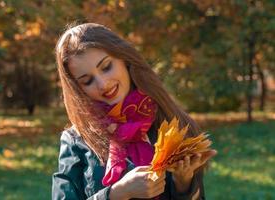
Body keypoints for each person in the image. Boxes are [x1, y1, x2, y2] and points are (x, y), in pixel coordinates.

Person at [52, 23, 217, 200]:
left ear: (124, 59)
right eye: (87, 81)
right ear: (78, 89)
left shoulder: (171, 121)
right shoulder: (76, 140)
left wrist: (184, 182)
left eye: (106, 67)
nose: (103, 84)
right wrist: (118, 193)